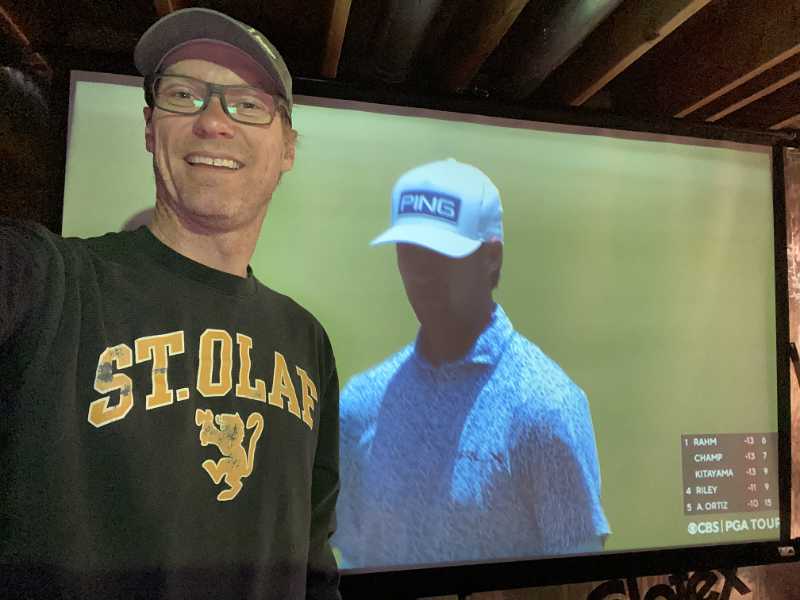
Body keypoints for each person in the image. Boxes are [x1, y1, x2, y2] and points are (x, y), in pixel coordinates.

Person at [0, 8, 340, 600]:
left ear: (288, 147)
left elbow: (314, 559)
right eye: (184, 95)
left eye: (248, 104)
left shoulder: (307, 339)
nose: (213, 121)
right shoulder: (50, 281)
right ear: (150, 128)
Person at [333, 158, 609, 568]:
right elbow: (353, 562)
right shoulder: (360, 406)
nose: (421, 275)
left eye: (441, 254)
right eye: (410, 253)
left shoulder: (545, 408)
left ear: (491, 258)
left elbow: (579, 579)